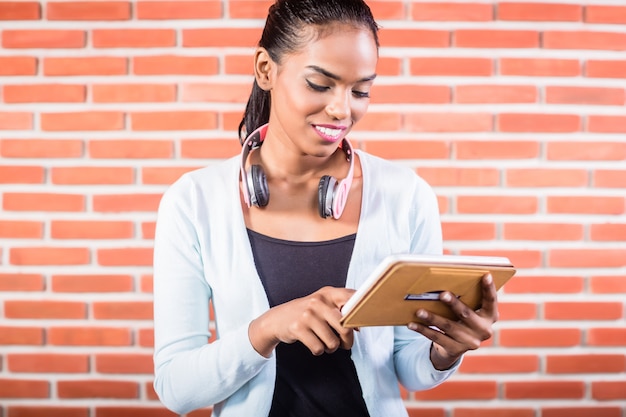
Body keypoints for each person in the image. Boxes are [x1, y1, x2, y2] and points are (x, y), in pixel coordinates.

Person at [152, 0, 499, 416]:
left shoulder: (405, 195)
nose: (342, 109)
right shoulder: (193, 201)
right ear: (266, 69)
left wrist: (444, 351)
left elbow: (407, 367)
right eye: (320, 84)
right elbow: (176, 388)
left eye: (361, 90)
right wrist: (266, 329)